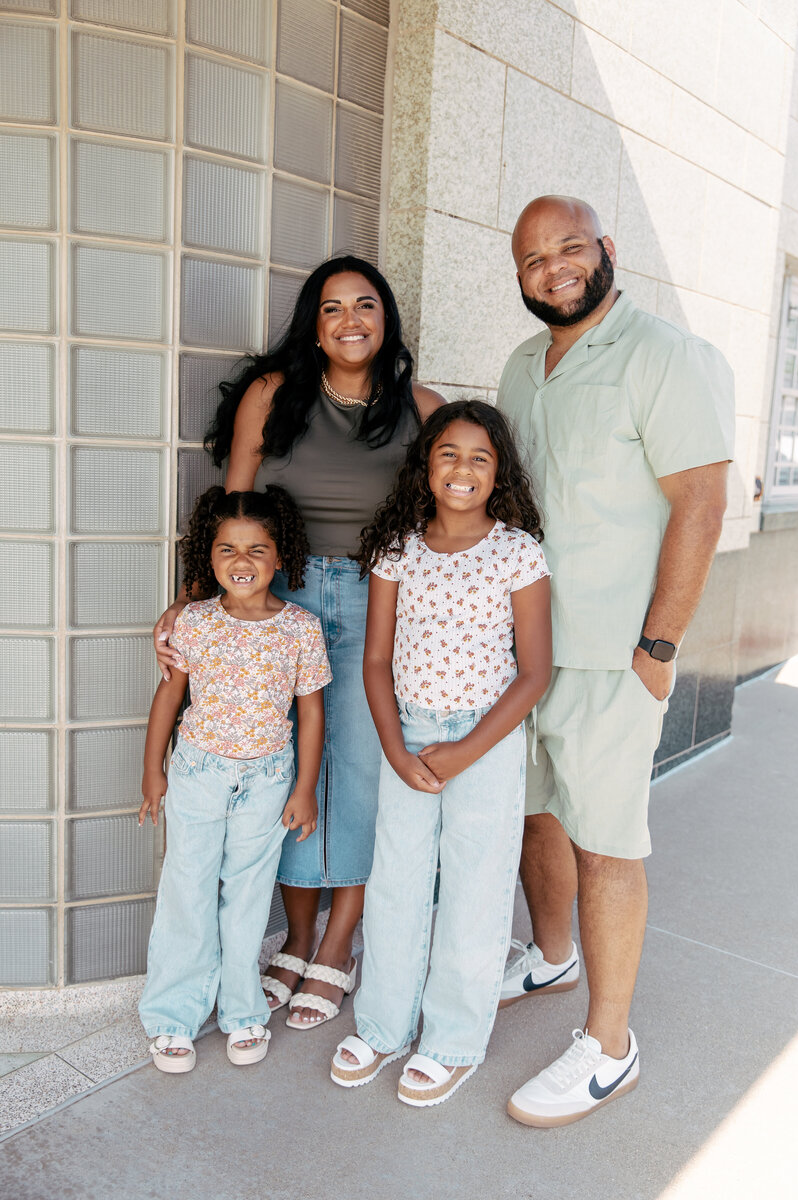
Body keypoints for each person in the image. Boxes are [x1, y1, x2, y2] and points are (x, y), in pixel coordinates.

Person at [154, 257, 443, 1029]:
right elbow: (231, 502)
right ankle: (299, 933)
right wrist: (188, 604)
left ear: (387, 320)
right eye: (332, 309)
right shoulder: (274, 395)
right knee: (281, 766)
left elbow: (444, 520)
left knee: (356, 772)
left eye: (366, 306)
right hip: (275, 597)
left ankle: (338, 942)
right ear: (313, 327)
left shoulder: (422, 408)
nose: (350, 321)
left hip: (378, 601)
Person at [496, 195, 735, 1126]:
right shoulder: (522, 366)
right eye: (530, 260)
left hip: (611, 659)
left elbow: (702, 508)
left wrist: (658, 648)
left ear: (606, 249)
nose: (552, 269)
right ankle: (550, 957)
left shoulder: (665, 357)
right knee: (536, 818)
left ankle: (608, 1047)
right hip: (524, 654)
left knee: (606, 845)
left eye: (567, 248)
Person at [329, 401, 552, 1106]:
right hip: (409, 733)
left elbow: (535, 671)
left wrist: (463, 753)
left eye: (480, 458)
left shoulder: (517, 551)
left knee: (474, 886)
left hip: (485, 739)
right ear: (426, 466)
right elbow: (374, 661)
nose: (463, 469)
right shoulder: (399, 549)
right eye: (448, 454)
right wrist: (397, 748)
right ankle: (383, 1024)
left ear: (499, 473)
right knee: (396, 879)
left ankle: (453, 1039)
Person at [138, 486, 330, 1072]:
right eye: (226, 549)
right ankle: (173, 1016)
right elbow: (169, 697)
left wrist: (303, 789)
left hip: (269, 779)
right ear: (209, 557)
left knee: (247, 897)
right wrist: (153, 772)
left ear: (280, 557)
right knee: (187, 891)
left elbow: (312, 712)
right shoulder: (192, 622)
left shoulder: (301, 627)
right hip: (197, 773)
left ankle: (242, 1010)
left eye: (256, 548)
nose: (241, 561)